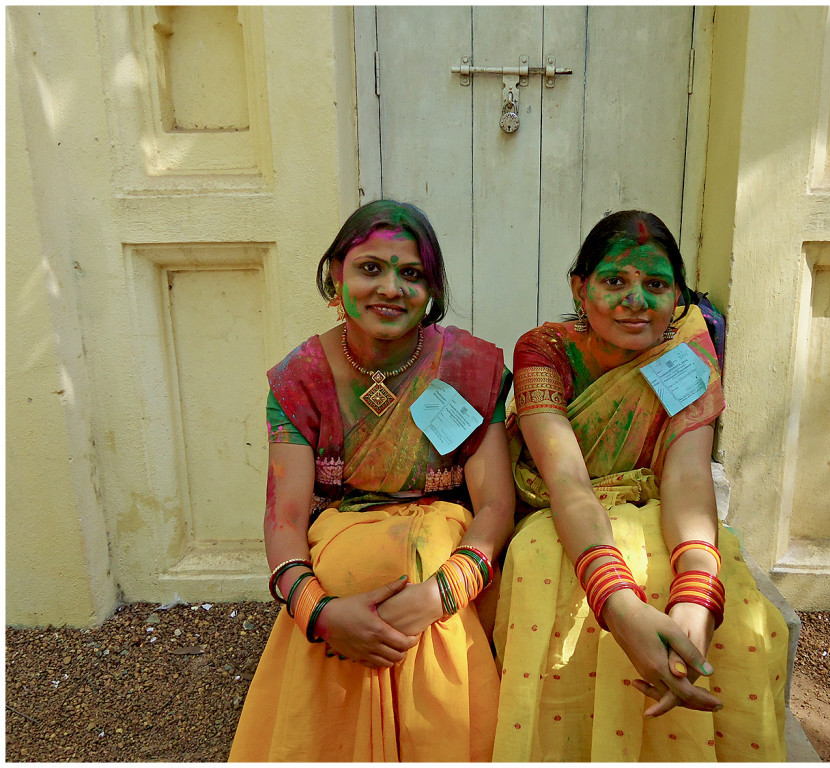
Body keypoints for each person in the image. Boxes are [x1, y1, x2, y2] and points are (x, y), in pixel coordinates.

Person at [492, 210, 788, 761]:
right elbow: (567, 480)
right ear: (580, 289)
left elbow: (686, 474)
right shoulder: (544, 351)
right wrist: (619, 607)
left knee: (739, 621)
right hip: (559, 510)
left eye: (655, 285)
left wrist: (698, 596)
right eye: (614, 282)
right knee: (544, 576)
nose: (636, 300)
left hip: (655, 504)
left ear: (677, 296)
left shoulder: (685, 355)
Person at [230, 200, 514, 762]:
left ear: (432, 290)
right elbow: (284, 519)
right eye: (370, 269)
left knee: (421, 554)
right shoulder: (300, 380)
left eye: (411, 274)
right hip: (341, 571)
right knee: (349, 567)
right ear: (337, 275)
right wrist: (321, 612)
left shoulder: (468, 369)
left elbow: (495, 506)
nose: (390, 288)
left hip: (444, 570)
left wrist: (438, 595)